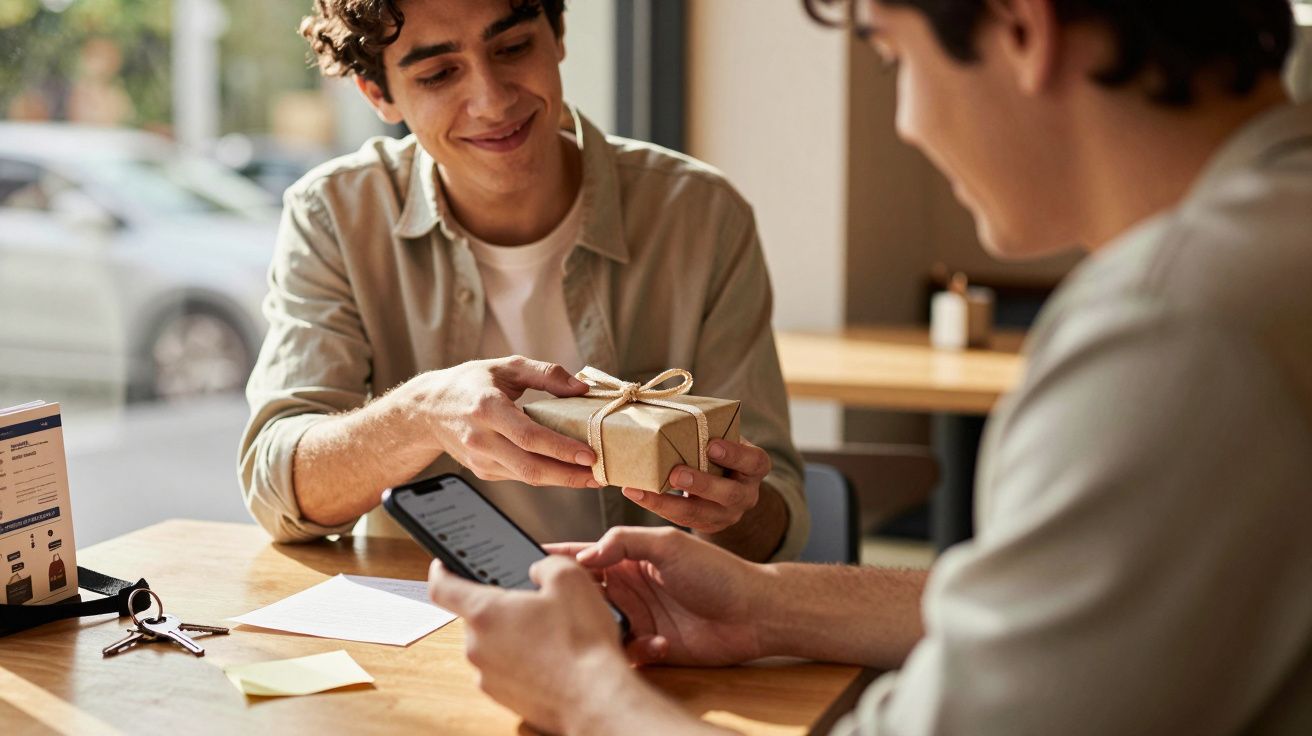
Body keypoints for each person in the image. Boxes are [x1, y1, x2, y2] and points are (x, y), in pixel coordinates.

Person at [427, 0, 1312, 733]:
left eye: (893, 57)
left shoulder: (1171, 330)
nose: (908, 120)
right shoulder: (1269, 248)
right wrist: (767, 603)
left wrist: (585, 691)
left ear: (1021, 28)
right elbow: (1091, 616)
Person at [238, 0, 810, 563]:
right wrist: (420, 415)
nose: (492, 101)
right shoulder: (336, 215)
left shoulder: (701, 215)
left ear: (557, 34)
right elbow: (277, 491)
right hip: (430, 622)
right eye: (438, 74)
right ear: (379, 95)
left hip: (649, 624)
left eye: (512, 48)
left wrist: (735, 509)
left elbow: (776, 521)